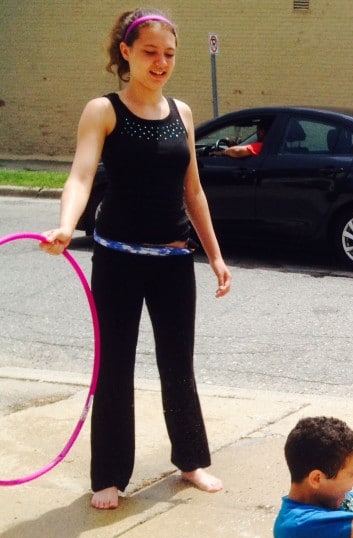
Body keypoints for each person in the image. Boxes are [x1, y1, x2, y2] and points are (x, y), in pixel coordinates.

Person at [39, 9, 232, 510]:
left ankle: (190, 460)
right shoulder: (103, 111)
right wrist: (66, 224)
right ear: (126, 52)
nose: (161, 62)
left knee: (177, 365)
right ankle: (108, 476)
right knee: (114, 367)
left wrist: (214, 255)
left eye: (169, 53)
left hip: (172, 259)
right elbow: (81, 175)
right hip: (117, 260)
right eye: (150, 52)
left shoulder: (182, 114)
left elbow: (193, 191)